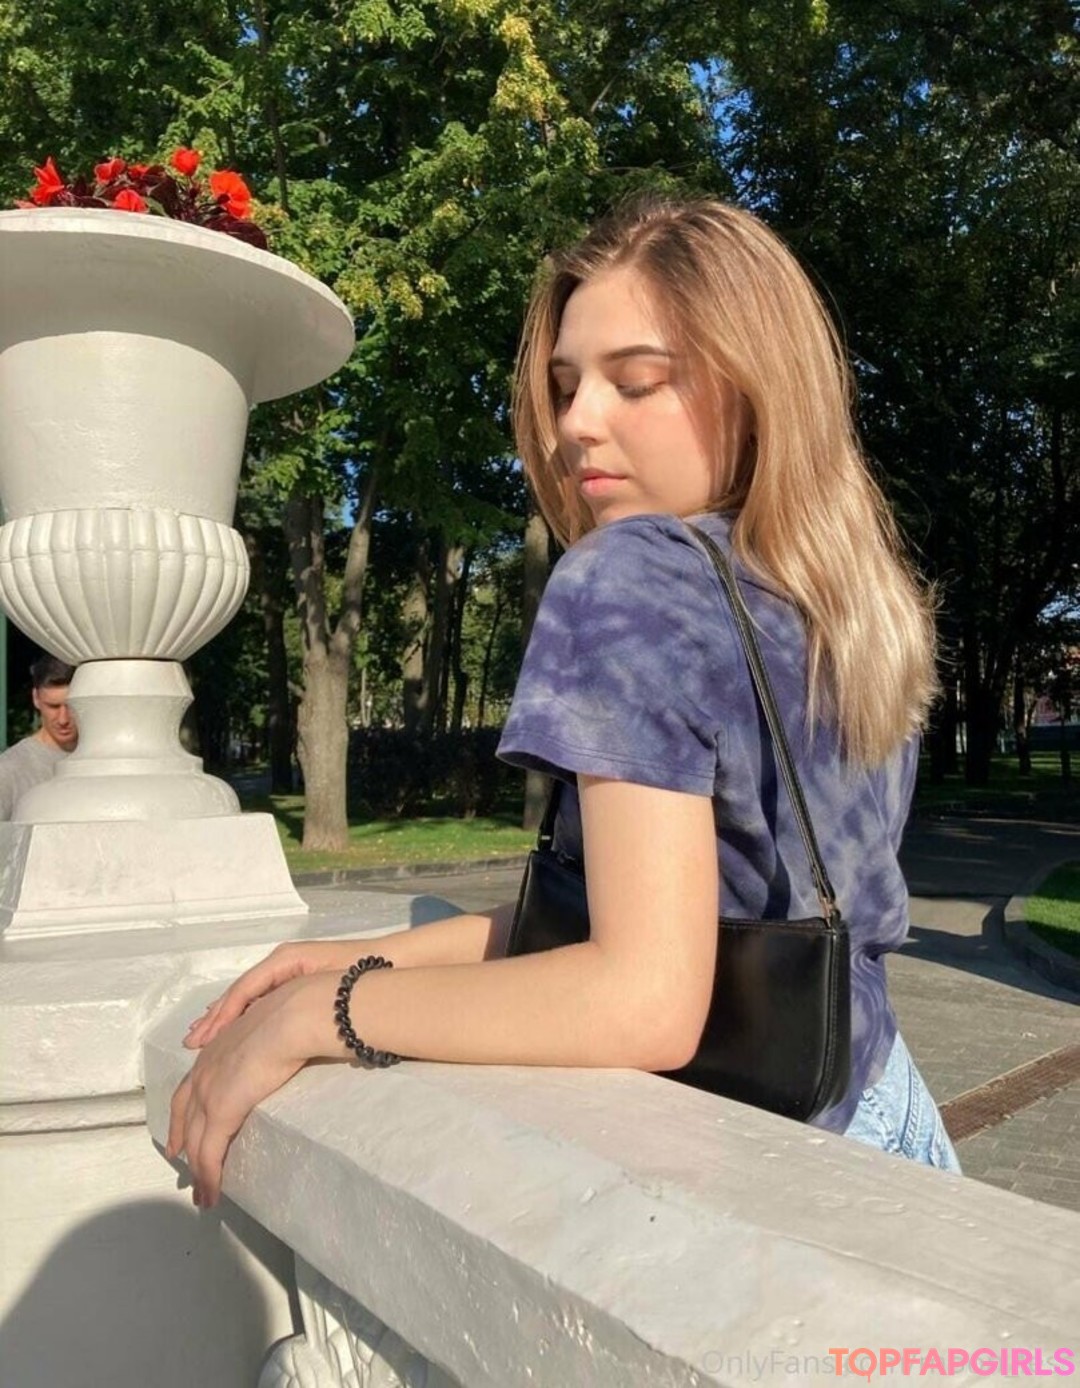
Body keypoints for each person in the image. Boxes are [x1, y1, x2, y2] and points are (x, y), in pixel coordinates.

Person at [169, 195, 960, 1208]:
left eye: (637, 381)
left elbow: (643, 997)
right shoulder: (840, 600)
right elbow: (670, 916)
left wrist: (323, 1011)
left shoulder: (628, 579)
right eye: (566, 384)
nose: (577, 423)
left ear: (760, 387)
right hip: (888, 1115)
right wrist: (371, 953)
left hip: (774, 1172)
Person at [0, 654, 78, 820]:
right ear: (36, 698)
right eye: (53, 706)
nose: (63, 719)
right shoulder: (9, 770)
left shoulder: (107, 760)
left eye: (71, 706)